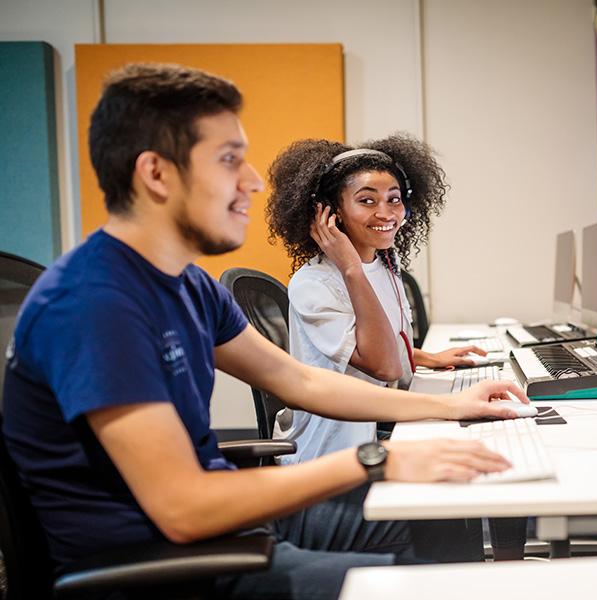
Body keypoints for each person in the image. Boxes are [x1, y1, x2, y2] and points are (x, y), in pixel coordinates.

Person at [2, 63, 528, 600]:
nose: (252, 180)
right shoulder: (95, 303)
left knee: (444, 512)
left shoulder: (187, 285)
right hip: (168, 565)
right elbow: (182, 510)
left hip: (234, 523)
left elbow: (300, 381)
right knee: (439, 587)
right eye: (230, 159)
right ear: (156, 174)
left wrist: (456, 407)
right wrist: (377, 458)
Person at [265, 136, 528, 560]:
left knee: (496, 456)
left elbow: (387, 346)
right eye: (367, 200)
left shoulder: (382, 263)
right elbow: (385, 366)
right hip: (332, 469)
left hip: (374, 436)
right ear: (329, 213)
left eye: (394, 198)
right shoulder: (317, 283)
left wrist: (423, 356)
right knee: (465, 488)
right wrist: (350, 266)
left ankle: (509, 572)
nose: (386, 213)